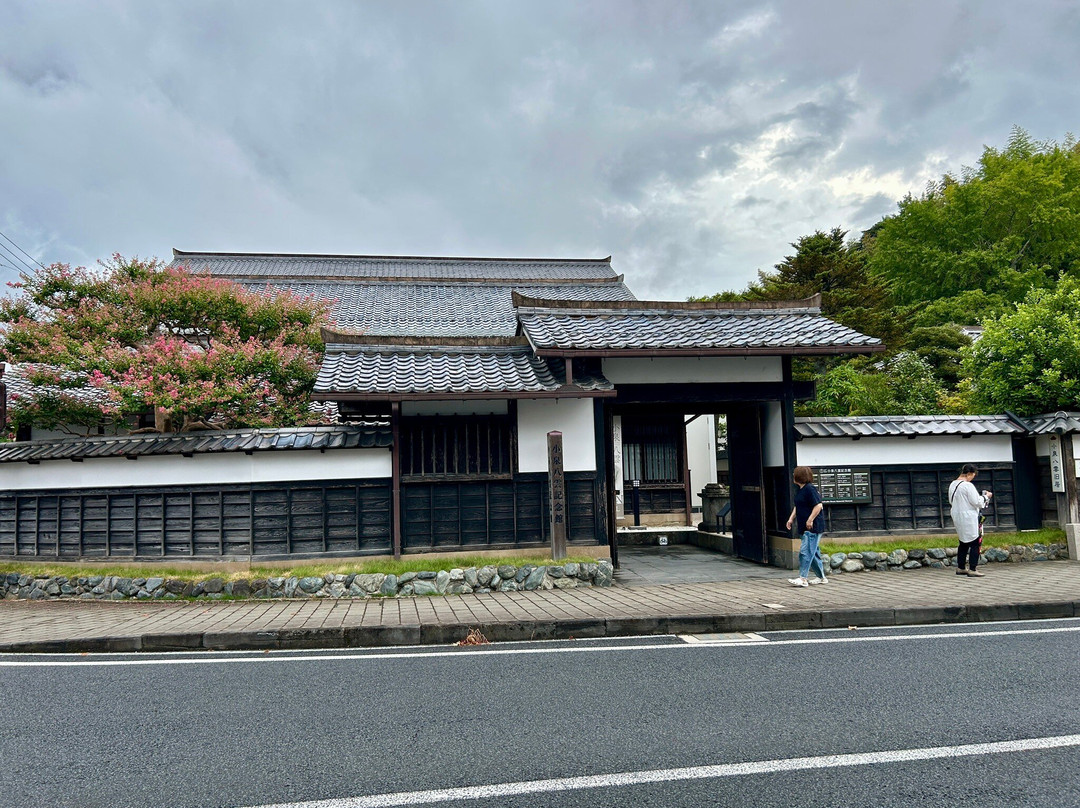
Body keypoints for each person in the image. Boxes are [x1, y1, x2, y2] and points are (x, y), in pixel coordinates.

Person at [948, 463, 992, 578]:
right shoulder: (968, 486)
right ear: (969, 474)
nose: (973, 477)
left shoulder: (953, 484)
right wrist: (986, 496)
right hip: (968, 516)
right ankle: (973, 568)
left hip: (957, 514)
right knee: (975, 542)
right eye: (973, 475)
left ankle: (961, 567)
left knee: (963, 541)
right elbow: (977, 502)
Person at [786, 465, 827, 587]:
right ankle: (821, 577)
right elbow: (798, 506)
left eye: (794, 474)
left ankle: (803, 578)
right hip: (804, 526)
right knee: (813, 553)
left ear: (799, 476)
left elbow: (818, 505)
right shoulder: (801, 490)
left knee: (806, 551)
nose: (793, 476)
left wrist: (810, 520)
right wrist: (791, 518)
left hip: (812, 527)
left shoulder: (810, 489)